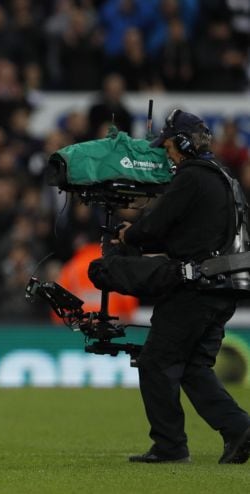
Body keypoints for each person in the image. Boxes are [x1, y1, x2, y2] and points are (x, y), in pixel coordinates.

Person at [118, 109, 250, 464]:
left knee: (155, 362)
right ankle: (239, 430)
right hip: (226, 288)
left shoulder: (192, 177)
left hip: (196, 288)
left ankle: (170, 446)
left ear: (183, 143)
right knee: (193, 367)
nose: (167, 153)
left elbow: (156, 227)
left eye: (170, 146)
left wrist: (130, 233)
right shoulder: (225, 177)